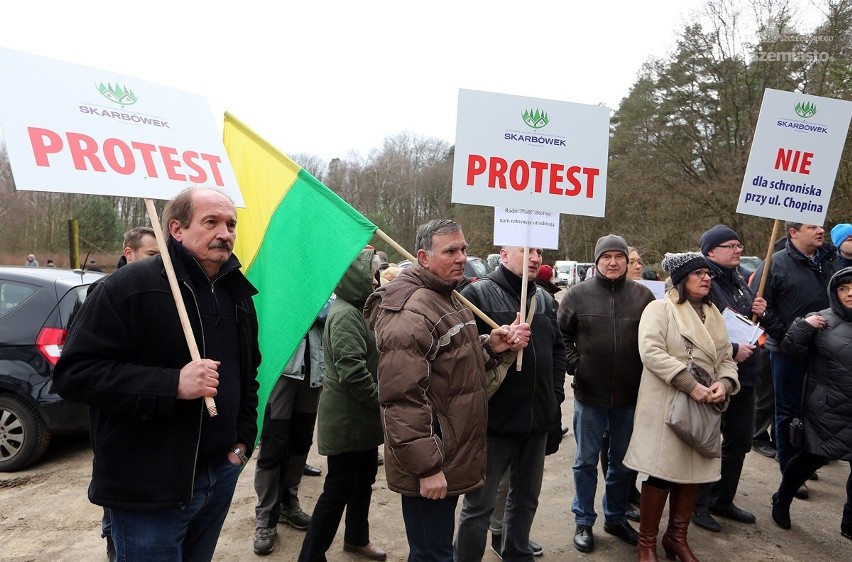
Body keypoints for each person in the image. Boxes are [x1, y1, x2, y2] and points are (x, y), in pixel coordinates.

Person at [54, 187, 261, 562]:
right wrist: (172, 385)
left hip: (220, 473)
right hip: (148, 487)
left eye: (231, 223)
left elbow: (249, 375)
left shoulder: (238, 294)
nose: (225, 233)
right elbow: (75, 374)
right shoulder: (126, 288)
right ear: (176, 229)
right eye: (211, 222)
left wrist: (242, 442)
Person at [364, 219, 529, 561]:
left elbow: (449, 368)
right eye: (450, 251)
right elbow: (401, 399)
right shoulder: (412, 310)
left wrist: (489, 347)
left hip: (448, 453)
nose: (461, 258)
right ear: (422, 257)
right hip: (431, 460)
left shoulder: (446, 295)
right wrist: (427, 468)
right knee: (432, 555)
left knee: (435, 551)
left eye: (464, 249)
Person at [624, 252, 739, 562]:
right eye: (698, 273)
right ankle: (646, 543)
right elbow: (651, 352)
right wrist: (691, 385)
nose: (706, 278)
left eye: (708, 273)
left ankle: (676, 538)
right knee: (663, 474)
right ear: (681, 278)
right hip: (668, 406)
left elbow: (726, 357)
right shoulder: (660, 309)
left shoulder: (714, 313)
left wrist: (724, 384)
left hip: (705, 410)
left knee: (693, 475)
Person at [455, 246, 566, 561]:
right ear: (503, 255)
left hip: (537, 423)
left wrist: (554, 395)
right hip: (495, 423)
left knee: (526, 499)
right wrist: (496, 344)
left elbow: (557, 350)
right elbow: (462, 357)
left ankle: (517, 553)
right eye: (527, 250)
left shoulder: (544, 299)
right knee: (480, 506)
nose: (535, 258)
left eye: (539, 252)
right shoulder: (476, 295)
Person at [557, 234, 655, 554]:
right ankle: (584, 519)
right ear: (597, 261)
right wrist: (576, 365)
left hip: (630, 396)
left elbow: (654, 340)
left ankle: (615, 517)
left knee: (623, 463)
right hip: (590, 395)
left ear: (627, 261)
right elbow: (562, 337)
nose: (613, 262)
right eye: (606, 257)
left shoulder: (644, 297)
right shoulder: (576, 296)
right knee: (585, 461)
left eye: (619, 256)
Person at [297, 249, 386, 561]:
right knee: (337, 489)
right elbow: (353, 372)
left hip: (361, 417)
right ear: (358, 279)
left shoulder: (360, 308)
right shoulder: (346, 313)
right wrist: (382, 402)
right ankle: (310, 555)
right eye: (373, 275)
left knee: (364, 481)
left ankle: (356, 539)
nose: (377, 282)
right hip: (349, 417)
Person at [749, 222, 841, 497]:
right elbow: (764, 309)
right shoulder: (774, 264)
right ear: (793, 232)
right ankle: (790, 472)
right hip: (786, 350)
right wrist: (792, 335)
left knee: (815, 410)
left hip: (825, 349)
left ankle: (804, 462)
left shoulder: (831, 261)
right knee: (787, 412)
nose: (820, 230)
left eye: (821, 226)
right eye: (812, 227)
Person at [690, 226, 767, 532]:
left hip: (745, 376)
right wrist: (733, 349)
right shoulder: (702, 282)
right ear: (711, 251)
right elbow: (698, 328)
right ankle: (697, 504)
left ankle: (724, 499)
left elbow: (749, 321)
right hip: (715, 375)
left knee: (739, 441)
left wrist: (759, 309)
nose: (738, 250)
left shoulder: (740, 280)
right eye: (730, 245)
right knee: (708, 442)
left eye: (739, 244)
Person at [771, 267, 852, 539]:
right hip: (826, 406)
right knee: (810, 459)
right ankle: (782, 498)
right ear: (834, 292)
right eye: (843, 288)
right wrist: (803, 327)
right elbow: (790, 351)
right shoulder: (820, 320)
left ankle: (850, 520)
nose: (850, 293)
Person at [98, 226, 162, 561]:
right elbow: (86, 372)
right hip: (121, 438)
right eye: (153, 255)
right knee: (121, 533)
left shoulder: (166, 295)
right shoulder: (106, 293)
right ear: (129, 253)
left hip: (156, 443)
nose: (161, 262)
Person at [253, 300, 331, 555]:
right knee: (273, 447)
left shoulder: (322, 282)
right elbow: (309, 311)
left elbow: (327, 314)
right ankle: (266, 518)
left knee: (300, 443)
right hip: (282, 372)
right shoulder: (289, 282)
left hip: (312, 373)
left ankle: (289, 502)